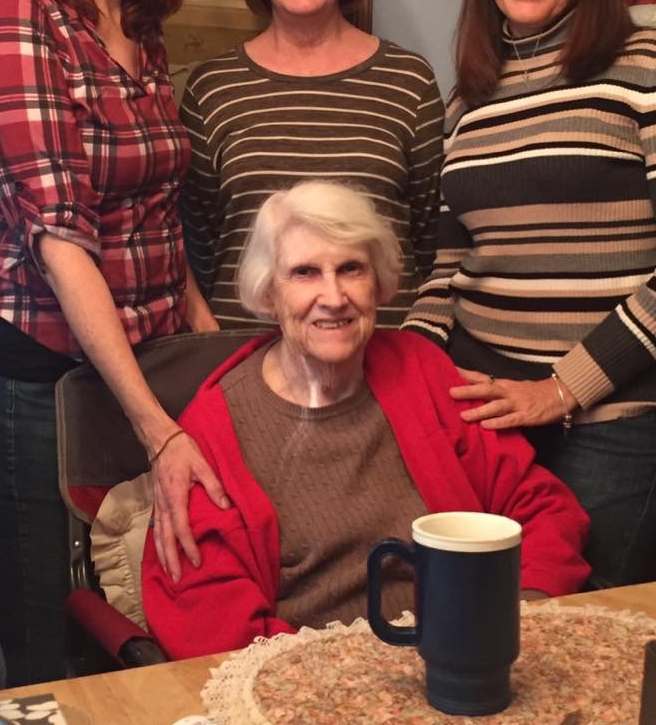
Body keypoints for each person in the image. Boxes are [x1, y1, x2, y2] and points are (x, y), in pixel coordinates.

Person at [142, 181, 589, 659]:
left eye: (351, 269)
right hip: (306, 676)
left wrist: (519, 613)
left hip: (458, 653)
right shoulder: (213, 428)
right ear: (269, 293)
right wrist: (344, 677)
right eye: (304, 273)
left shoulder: (422, 371)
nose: (333, 297)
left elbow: (540, 509)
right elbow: (202, 612)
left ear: (378, 283)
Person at [0, 0, 224, 686]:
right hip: (44, 383)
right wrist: (158, 429)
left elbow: (157, 212)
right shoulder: (17, 16)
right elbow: (62, 238)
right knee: (49, 644)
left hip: (140, 371)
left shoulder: (139, 33)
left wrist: (206, 359)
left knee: (135, 619)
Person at [403, 0, 656, 589]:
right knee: (489, 624)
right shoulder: (468, 101)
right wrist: (408, 375)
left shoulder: (642, 68)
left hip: (608, 428)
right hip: (488, 428)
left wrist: (560, 389)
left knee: (586, 637)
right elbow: (447, 270)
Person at [180, 0, 442, 330]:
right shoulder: (212, 88)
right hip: (246, 352)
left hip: (380, 352)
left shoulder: (408, 81)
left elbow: (429, 241)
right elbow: (201, 246)